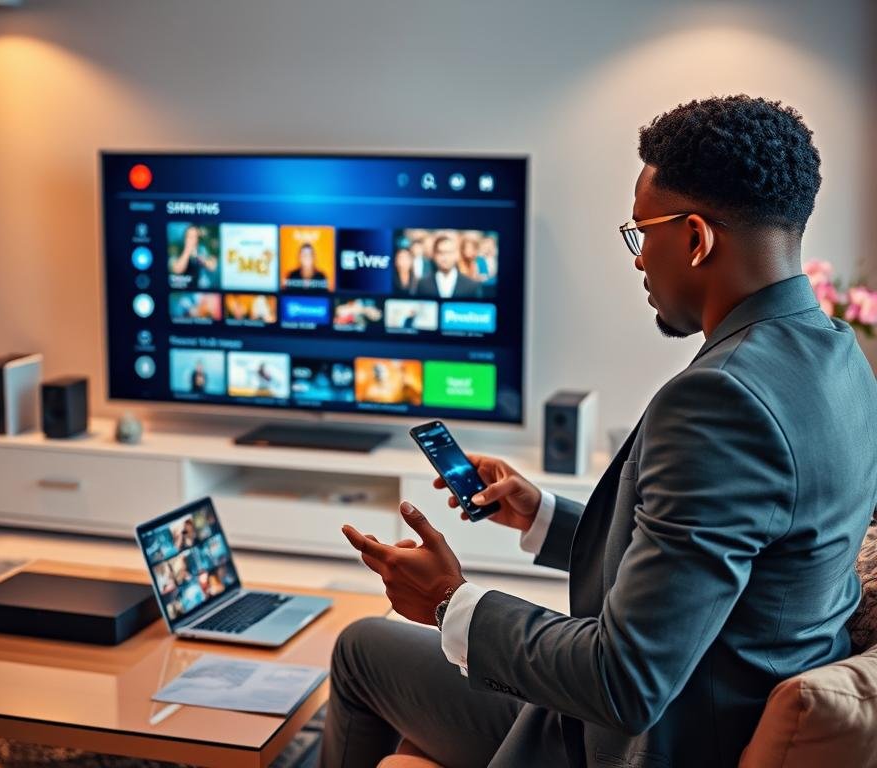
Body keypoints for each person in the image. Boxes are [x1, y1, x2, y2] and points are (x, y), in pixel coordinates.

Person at [323, 95, 877, 768]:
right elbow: (714, 556)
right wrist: (543, 516)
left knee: (359, 649)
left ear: (697, 239)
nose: (639, 259)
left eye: (642, 233)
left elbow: (626, 681)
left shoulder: (721, 398)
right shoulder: (839, 356)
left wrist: (449, 600)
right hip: (715, 693)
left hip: (643, 742)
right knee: (363, 645)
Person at [416, 235, 483, 299]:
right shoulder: (423, 285)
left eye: (449, 252)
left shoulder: (471, 286)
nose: (445, 257)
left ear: (457, 255)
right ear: (434, 255)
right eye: (441, 252)